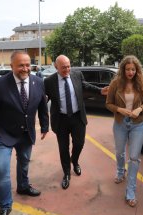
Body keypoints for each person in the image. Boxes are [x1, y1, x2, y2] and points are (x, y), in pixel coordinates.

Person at [0, 51, 49, 215]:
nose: (25, 69)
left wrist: (45, 126)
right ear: (12, 66)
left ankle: (23, 186)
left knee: (24, 162)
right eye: (21, 65)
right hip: (4, 134)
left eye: (27, 65)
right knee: (1, 170)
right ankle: (5, 207)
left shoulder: (38, 82)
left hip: (26, 134)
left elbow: (42, 105)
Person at [44, 55, 108, 189]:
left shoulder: (77, 75)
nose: (67, 69)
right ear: (56, 67)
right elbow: (45, 99)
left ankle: (75, 161)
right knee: (63, 148)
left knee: (79, 143)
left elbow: (85, 86)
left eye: (68, 66)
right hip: (60, 119)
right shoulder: (49, 81)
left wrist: (100, 90)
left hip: (77, 117)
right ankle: (66, 173)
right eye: (63, 68)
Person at [105, 55, 143, 207]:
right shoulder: (115, 83)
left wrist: (139, 109)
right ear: (123, 69)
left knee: (134, 157)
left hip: (138, 124)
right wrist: (119, 109)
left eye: (133, 69)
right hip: (120, 123)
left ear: (137, 70)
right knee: (119, 152)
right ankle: (120, 171)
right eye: (127, 69)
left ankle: (130, 191)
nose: (130, 72)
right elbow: (108, 103)